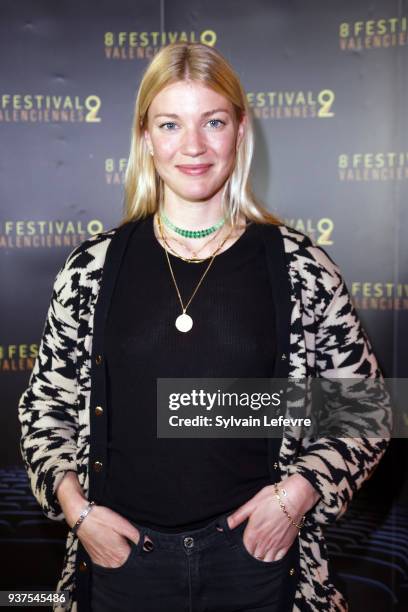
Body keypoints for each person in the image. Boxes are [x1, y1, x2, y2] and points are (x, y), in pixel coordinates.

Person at [18, 42, 391, 612]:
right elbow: (43, 412)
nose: (193, 146)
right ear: (146, 136)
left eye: (212, 122)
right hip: (120, 566)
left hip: (262, 563)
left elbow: (365, 411)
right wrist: (78, 511)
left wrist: (296, 495)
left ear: (240, 130)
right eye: (171, 124)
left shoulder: (299, 266)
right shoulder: (92, 269)